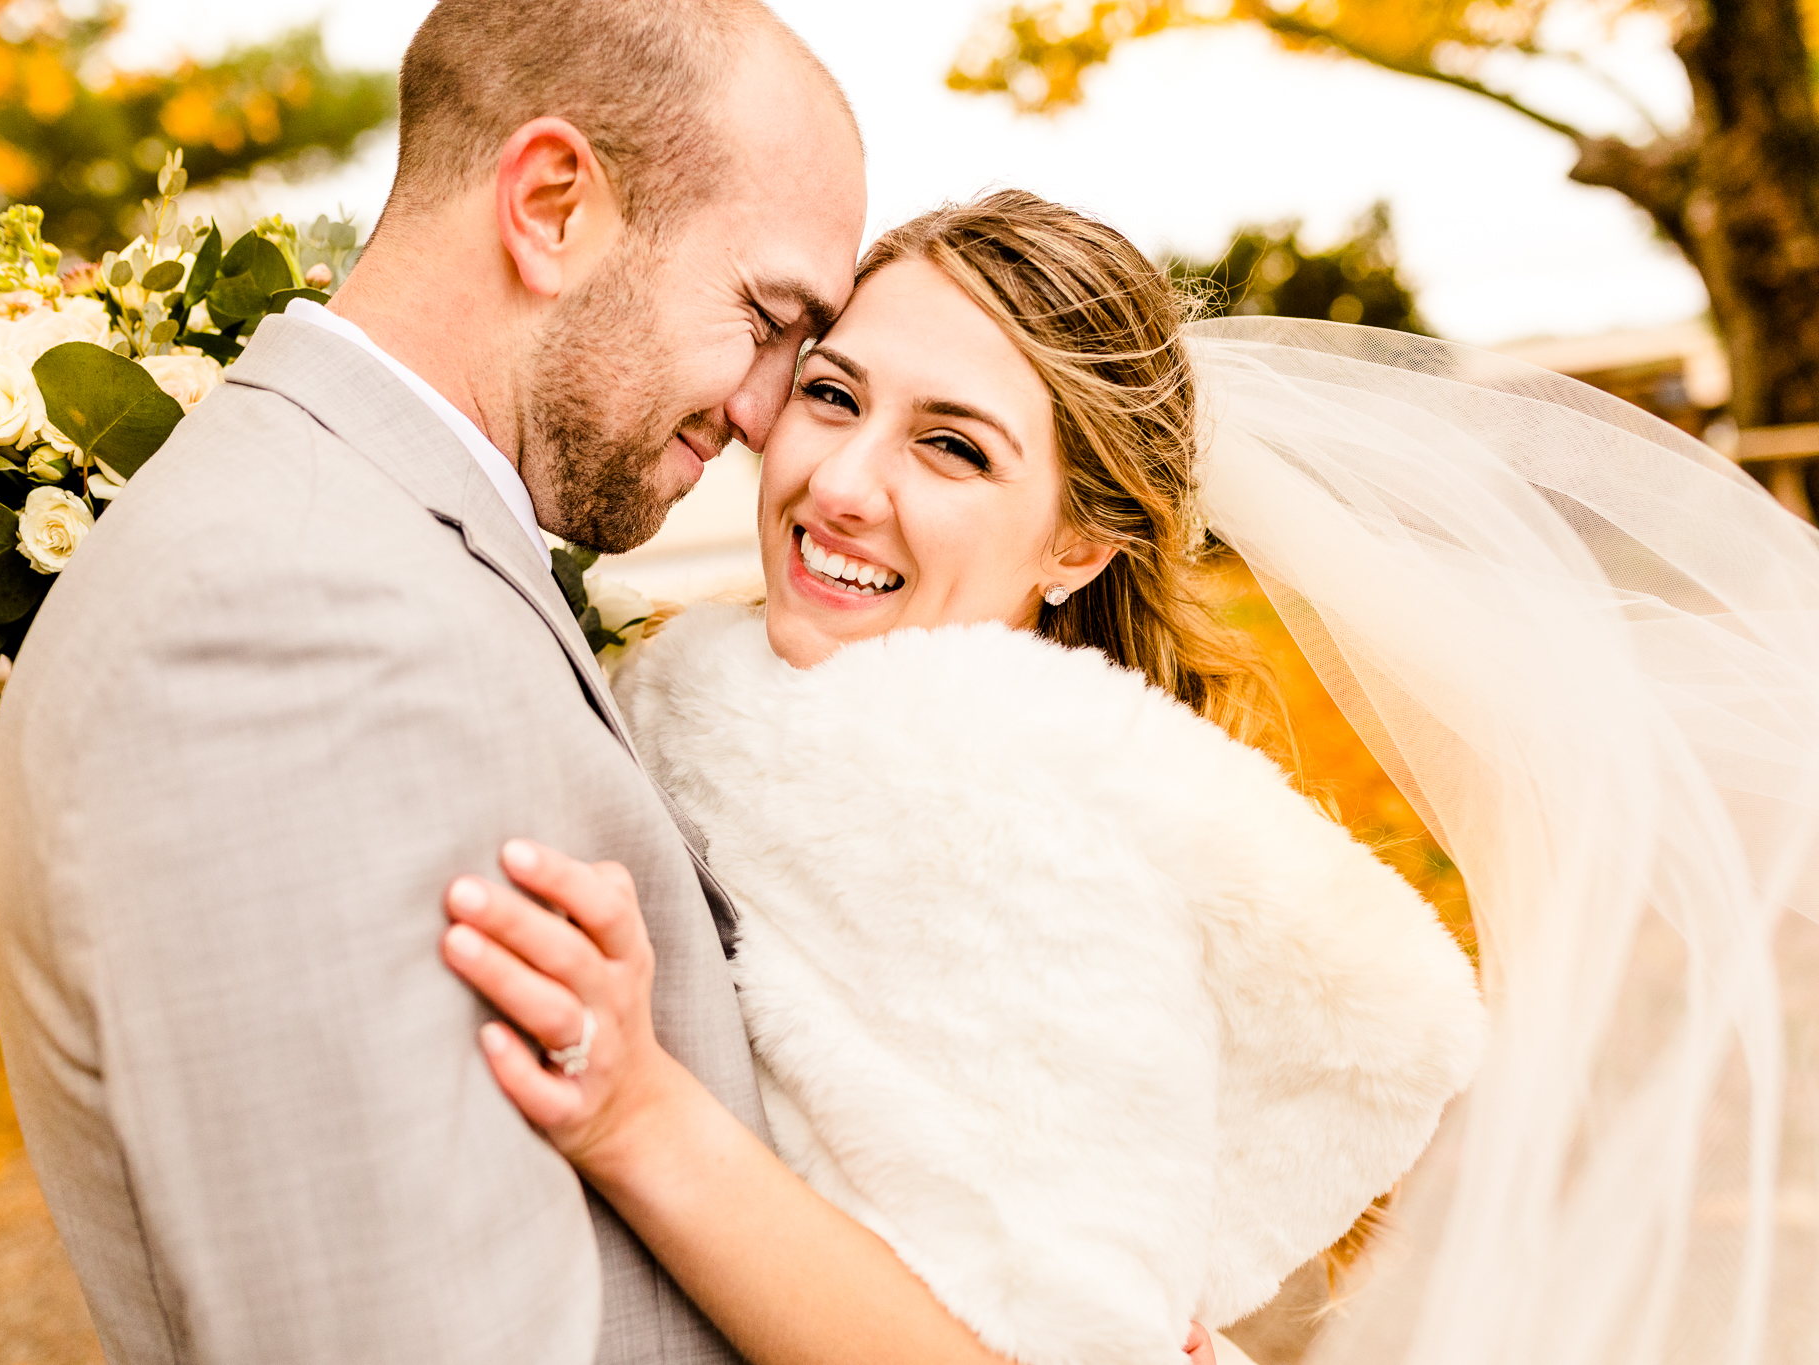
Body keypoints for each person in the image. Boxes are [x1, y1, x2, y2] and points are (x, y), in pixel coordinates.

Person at [441, 187, 1819, 1365]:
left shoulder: (1044, 852)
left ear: (1076, 548)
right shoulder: (707, 695)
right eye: (833, 395)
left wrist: (638, 1116)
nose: (847, 481)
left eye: (953, 446)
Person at [0, 2, 866, 1360]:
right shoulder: (278, 618)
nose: (764, 412)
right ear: (554, 204)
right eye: (763, 317)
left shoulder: (366, 534)